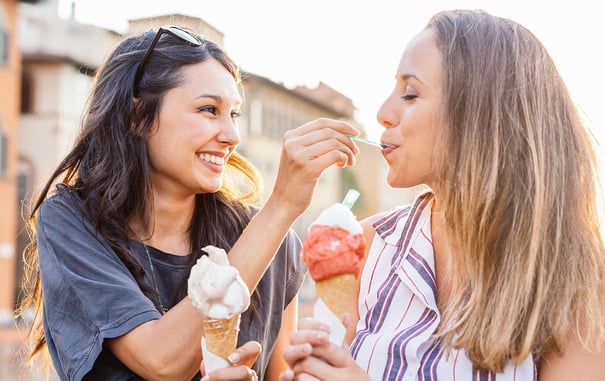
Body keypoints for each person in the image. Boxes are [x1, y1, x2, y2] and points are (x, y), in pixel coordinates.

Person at [16, 25, 361, 381]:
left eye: (234, 114)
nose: (231, 136)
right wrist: (282, 206)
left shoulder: (276, 244)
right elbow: (161, 362)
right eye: (209, 109)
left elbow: (282, 375)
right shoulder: (73, 222)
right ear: (138, 117)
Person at [279, 9, 605, 381]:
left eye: (411, 94)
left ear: (479, 113)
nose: (384, 113)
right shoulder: (364, 247)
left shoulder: (578, 284)